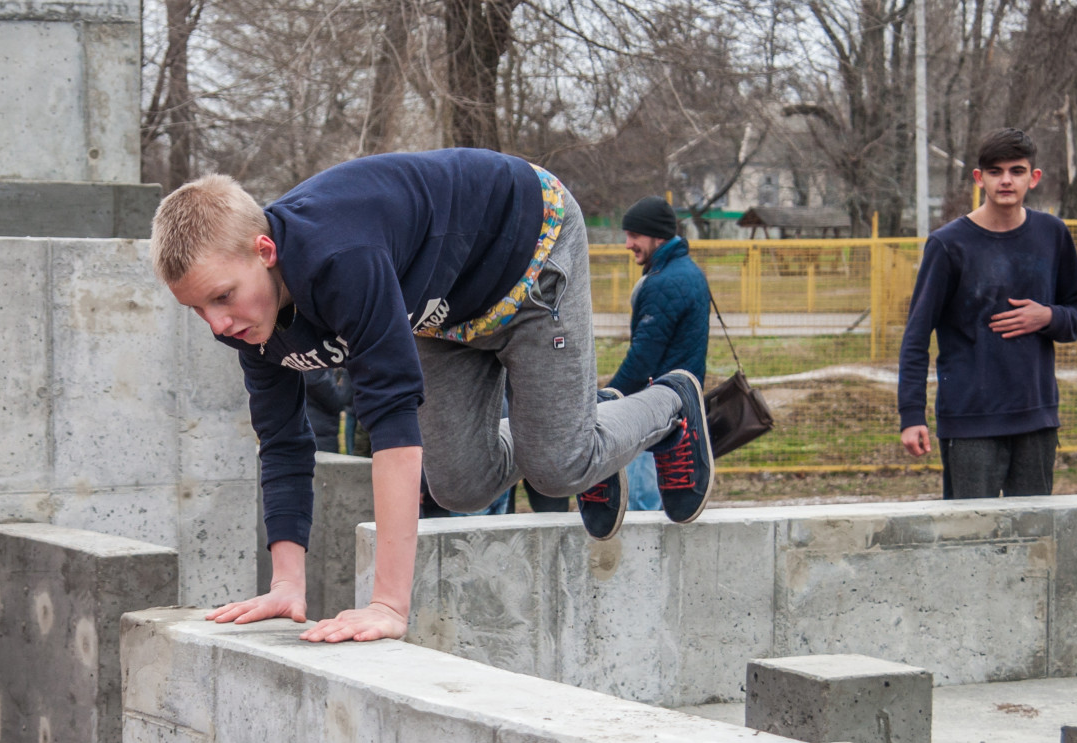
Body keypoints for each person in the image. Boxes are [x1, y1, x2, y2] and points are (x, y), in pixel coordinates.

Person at [150, 149, 714, 643]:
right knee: (460, 484)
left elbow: (390, 415)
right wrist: (286, 585)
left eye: (223, 297)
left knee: (560, 467)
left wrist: (388, 605)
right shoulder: (253, 323)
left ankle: (669, 405)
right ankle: (576, 428)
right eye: (198, 309)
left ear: (265, 250)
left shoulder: (341, 258)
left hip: (528, 252)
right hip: (443, 309)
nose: (218, 324)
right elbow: (281, 440)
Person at [897, 127, 1077, 498]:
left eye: (1016, 171)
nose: (1006, 180)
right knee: (969, 539)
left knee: (1032, 542)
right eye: (995, 171)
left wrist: (1046, 317)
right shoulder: (948, 244)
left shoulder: (1052, 233)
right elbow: (917, 336)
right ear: (979, 178)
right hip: (969, 420)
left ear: (1033, 178)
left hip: (1036, 417)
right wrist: (911, 415)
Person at [604, 196, 710, 511]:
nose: (628, 244)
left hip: (655, 410)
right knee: (664, 504)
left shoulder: (664, 282)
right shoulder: (685, 271)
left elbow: (643, 357)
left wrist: (610, 399)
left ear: (657, 236)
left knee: (641, 503)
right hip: (680, 407)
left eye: (634, 236)